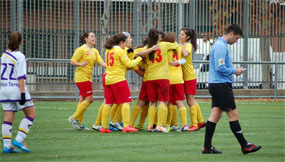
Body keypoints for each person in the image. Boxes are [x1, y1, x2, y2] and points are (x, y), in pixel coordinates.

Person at [202, 24, 262, 154]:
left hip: (218, 85)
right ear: (231, 33)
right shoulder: (220, 47)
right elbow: (220, 68)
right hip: (221, 86)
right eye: (236, 37)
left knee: (215, 114)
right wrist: (236, 71)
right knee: (233, 114)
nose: (236, 40)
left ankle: (207, 147)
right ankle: (245, 145)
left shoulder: (220, 46)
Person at [100, 33, 152, 133]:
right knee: (126, 102)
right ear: (121, 42)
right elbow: (129, 63)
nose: (126, 45)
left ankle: (103, 127)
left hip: (109, 79)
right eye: (125, 42)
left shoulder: (108, 50)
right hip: (118, 79)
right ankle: (126, 126)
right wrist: (140, 58)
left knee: (108, 103)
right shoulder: (119, 50)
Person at [0, 32, 36, 153]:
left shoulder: (4, 55)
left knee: (7, 118)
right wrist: (22, 94)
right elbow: (21, 76)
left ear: (8, 41)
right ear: (21, 42)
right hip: (16, 88)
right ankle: (19, 139)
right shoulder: (20, 56)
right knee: (31, 114)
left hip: (4, 89)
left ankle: (7, 146)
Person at [68, 32, 106, 130]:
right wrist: (80, 64)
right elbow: (72, 61)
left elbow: (101, 62)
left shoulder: (95, 51)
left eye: (94, 36)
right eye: (92, 36)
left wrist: (111, 66)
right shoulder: (81, 49)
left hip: (88, 77)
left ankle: (78, 123)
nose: (94, 38)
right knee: (90, 99)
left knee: (82, 99)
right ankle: (74, 118)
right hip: (81, 77)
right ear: (86, 39)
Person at [145, 29, 179, 133]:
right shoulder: (164, 45)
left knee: (153, 103)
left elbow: (138, 53)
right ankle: (160, 125)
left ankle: (150, 125)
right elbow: (176, 46)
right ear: (159, 37)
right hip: (162, 77)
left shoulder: (148, 48)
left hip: (150, 78)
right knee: (163, 102)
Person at [179, 28, 205, 131]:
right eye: (180, 34)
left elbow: (186, 54)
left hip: (189, 76)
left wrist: (181, 47)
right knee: (190, 99)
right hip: (185, 77)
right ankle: (201, 121)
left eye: (182, 35)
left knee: (190, 100)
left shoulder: (188, 45)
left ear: (187, 37)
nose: (180, 36)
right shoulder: (183, 45)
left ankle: (194, 124)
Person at [165, 32, 189, 132]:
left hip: (169, 79)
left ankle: (167, 125)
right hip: (179, 79)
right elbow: (185, 58)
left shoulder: (165, 49)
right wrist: (178, 62)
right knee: (179, 102)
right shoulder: (179, 46)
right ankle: (185, 125)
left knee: (168, 103)